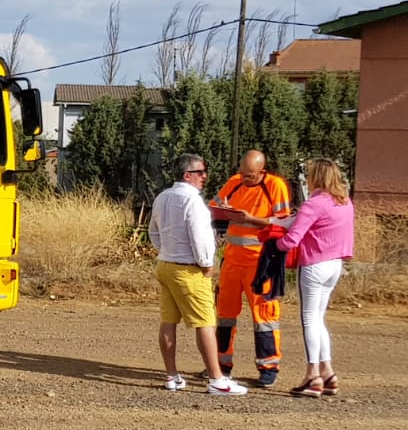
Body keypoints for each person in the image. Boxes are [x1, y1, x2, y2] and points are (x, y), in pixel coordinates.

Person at [150, 153, 247, 396]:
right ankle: (216, 379)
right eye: (201, 172)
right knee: (205, 322)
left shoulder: (163, 197)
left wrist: (166, 250)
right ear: (187, 175)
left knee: (168, 320)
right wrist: (206, 263)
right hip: (189, 268)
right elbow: (200, 237)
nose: (205, 176)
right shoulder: (193, 202)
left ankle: (172, 376)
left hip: (166, 265)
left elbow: (154, 231)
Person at [211, 149, 293, 387]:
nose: (245, 178)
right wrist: (224, 213)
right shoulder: (234, 182)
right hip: (232, 260)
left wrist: (250, 220)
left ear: (262, 170)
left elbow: (285, 222)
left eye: (251, 175)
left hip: (261, 262)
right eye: (243, 173)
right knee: (225, 314)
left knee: (264, 316)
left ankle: (268, 367)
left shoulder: (275, 185)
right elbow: (215, 207)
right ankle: (220, 364)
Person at [276, 158, 355, 398]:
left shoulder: (314, 204)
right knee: (319, 319)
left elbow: (292, 239)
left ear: (316, 178)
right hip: (334, 265)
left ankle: (313, 375)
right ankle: (327, 371)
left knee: (309, 319)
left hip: (313, 265)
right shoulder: (344, 203)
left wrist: (274, 243)